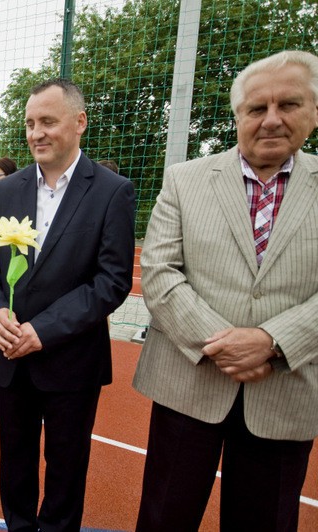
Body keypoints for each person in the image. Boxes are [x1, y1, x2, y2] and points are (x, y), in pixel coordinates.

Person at [133, 50, 318, 532]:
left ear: (314, 111)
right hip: (187, 383)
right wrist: (227, 344)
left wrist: (272, 342)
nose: (272, 120)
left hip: (284, 390)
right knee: (163, 517)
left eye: (289, 105)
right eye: (257, 109)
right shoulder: (185, 180)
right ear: (238, 116)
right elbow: (159, 271)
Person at [0, 79, 135, 531]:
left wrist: (43, 329)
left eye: (47, 121)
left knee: (65, 470)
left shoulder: (111, 191)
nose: (36, 133)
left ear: (79, 122)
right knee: (15, 464)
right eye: (29, 123)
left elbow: (112, 280)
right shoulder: (7, 191)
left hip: (71, 361)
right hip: (10, 357)